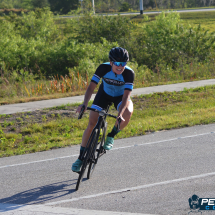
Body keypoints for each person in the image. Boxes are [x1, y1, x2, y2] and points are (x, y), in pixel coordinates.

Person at [72, 47, 135, 172]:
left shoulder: (129, 73)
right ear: (111, 62)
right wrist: (84, 104)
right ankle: (80, 158)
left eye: (123, 63)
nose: (120, 66)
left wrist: (120, 114)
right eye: (117, 63)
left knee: (128, 112)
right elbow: (91, 88)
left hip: (120, 97)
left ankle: (111, 135)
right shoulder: (103, 68)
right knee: (91, 124)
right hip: (104, 95)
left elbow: (126, 97)